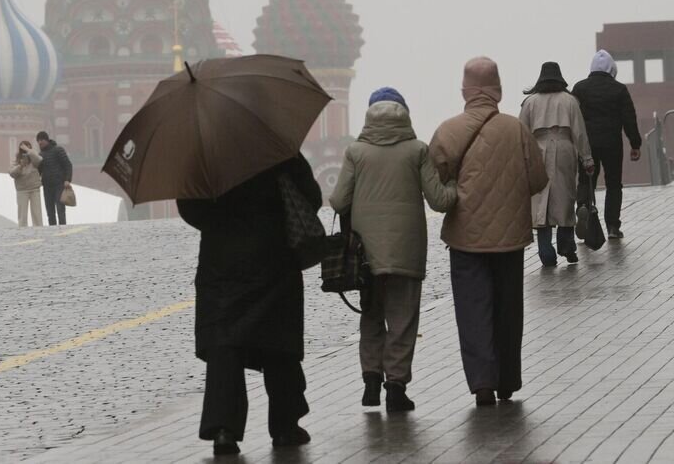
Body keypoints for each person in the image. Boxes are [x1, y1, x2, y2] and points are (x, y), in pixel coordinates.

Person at [178, 156, 320, 454]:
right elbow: (311, 196)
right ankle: (285, 426)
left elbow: (189, 208)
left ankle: (224, 429)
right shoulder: (275, 147)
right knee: (278, 341)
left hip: (221, 261)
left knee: (224, 345)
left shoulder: (205, 156)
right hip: (273, 252)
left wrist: (220, 219)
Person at [429, 57, 547, 407]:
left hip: (465, 239)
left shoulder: (447, 132)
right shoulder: (516, 130)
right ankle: (508, 380)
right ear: (498, 89)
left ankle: (482, 382)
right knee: (508, 309)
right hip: (510, 239)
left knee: (472, 309)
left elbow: (435, 185)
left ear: (465, 90)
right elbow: (539, 179)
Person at [330, 88, 456, 413]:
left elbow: (339, 201)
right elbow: (439, 200)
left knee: (371, 314)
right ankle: (396, 387)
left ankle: (371, 381)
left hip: (366, 255)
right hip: (407, 250)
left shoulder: (356, 152)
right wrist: (456, 189)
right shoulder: (417, 150)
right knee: (402, 318)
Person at [520, 63, 594, 266]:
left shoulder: (530, 102)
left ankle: (546, 251)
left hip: (538, 149)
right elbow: (579, 132)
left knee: (540, 200)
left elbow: (522, 133)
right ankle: (566, 244)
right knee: (565, 197)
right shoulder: (570, 101)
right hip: (564, 147)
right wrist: (587, 158)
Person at [572, 50, 643, 240]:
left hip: (587, 144)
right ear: (612, 68)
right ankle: (612, 226)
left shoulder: (580, 88)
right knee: (613, 184)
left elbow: (573, 117)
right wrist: (635, 144)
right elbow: (629, 118)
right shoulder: (619, 89)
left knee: (586, 181)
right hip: (612, 143)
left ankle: (584, 209)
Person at [36, 131, 73, 226]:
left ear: (47, 140)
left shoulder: (58, 150)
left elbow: (68, 165)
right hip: (47, 186)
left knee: (60, 210)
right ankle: (52, 231)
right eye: (38, 141)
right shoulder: (40, 155)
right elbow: (38, 171)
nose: (40, 142)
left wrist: (67, 180)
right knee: (50, 212)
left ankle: (62, 230)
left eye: (41, 140)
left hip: (59, 184)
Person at [9, 140, 44, 227]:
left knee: (37, 213)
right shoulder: (16, 161)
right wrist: (20, 166)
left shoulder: (34, 159)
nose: (25, 152)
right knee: (22, 213)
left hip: (34, 188)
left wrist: (29, 151)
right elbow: (12, 173)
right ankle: (22, 228)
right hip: (22, 190)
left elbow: (40, 160)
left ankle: (39, 228)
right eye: (23, 149)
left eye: (28, 148)